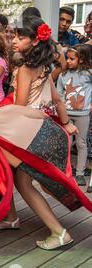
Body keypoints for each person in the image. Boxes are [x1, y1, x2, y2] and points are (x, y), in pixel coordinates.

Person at [0, 17, 80, 250]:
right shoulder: (44, 68)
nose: (14, 40)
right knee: (7, 171)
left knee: (18, 179)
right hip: (45, 129)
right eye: (14, 36)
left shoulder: (25, 69)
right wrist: (67, 124)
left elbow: (19, 107)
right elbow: (57, 100)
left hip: (28, 132)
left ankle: (58, 232)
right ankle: (11, 217)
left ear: (36, 40)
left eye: (20, 37)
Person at [57, 44, 92, 186]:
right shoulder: (63, 75)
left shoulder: (88, 74)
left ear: (82, 59)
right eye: (67, 58)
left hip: (83, 115)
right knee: (67, 143)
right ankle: (67, 171)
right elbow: (59, 94)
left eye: (72, 59)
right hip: (66, 116)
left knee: (81, 143)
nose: (68, 61)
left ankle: (79, 173)